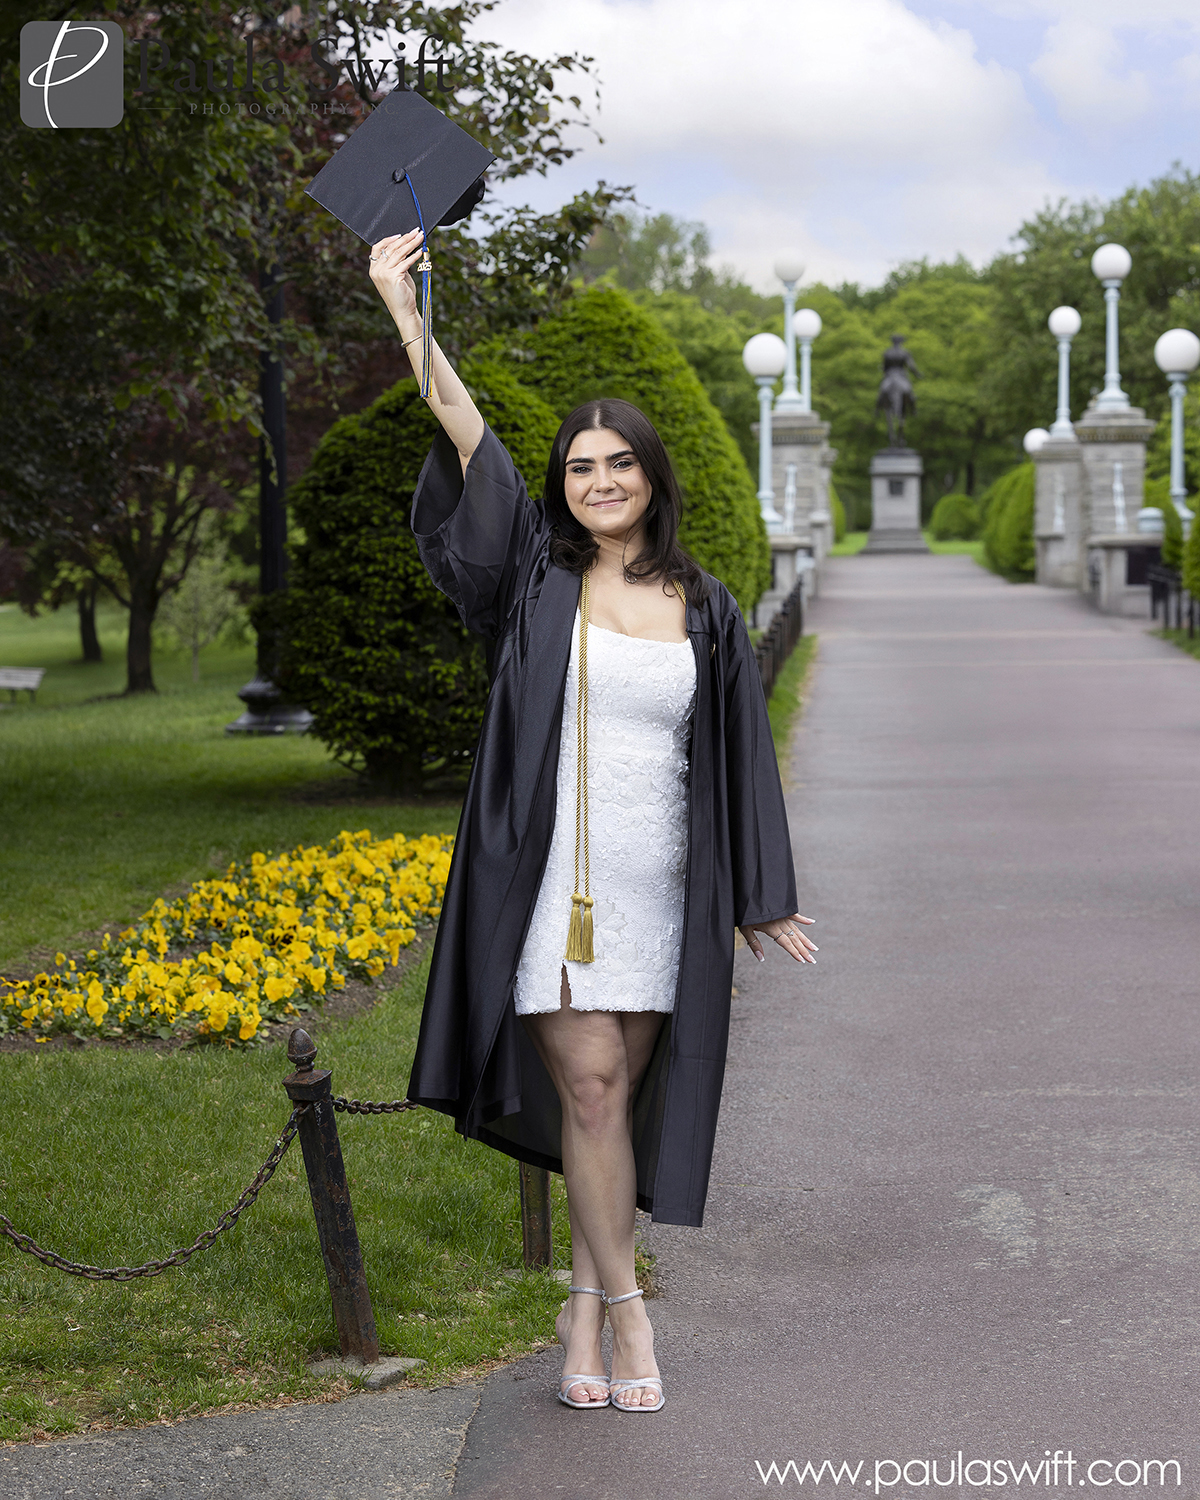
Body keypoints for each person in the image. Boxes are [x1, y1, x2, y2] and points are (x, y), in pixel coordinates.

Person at [369, 228, 817, 1412]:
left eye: (621, 464)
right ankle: (629, 1315)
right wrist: (404, 311)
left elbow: (734, 758)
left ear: (653, 476)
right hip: (549, 887)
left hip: (659, 887)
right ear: (561, 483)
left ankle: (578, 1302)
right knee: (592, 1092)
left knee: (617, 1103)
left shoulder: (705, 607)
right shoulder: (535, 575)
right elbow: (467, 431)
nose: (601, 481)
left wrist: (761, 895)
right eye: (582, 466)